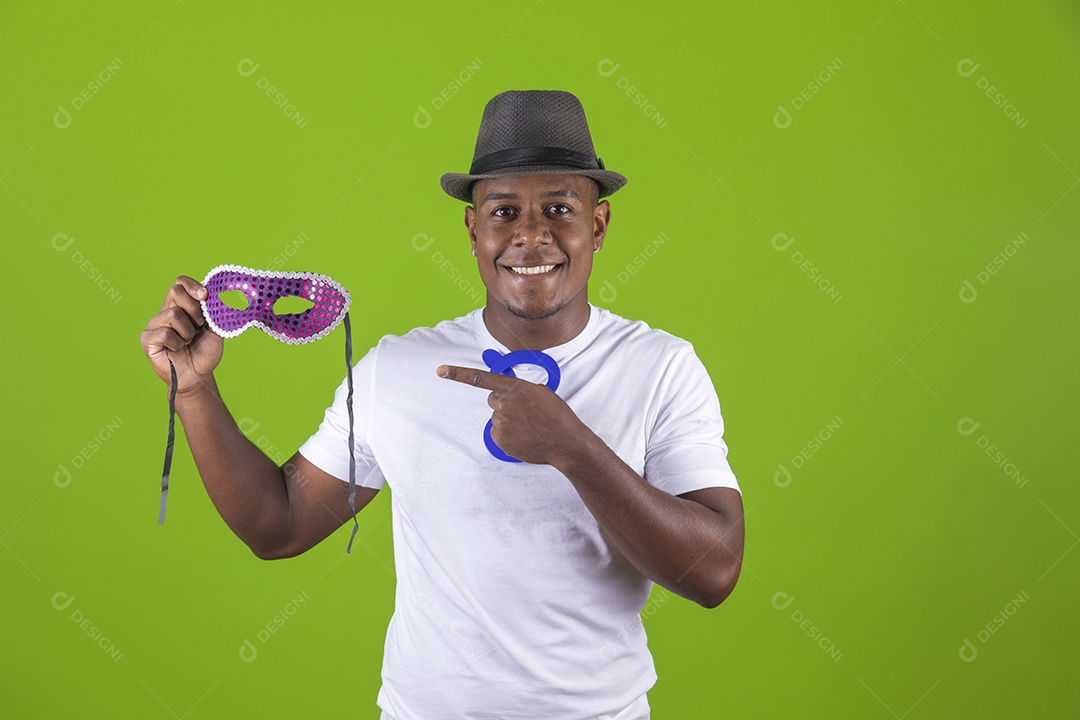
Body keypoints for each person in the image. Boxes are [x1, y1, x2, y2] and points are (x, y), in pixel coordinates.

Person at [140, 89, 745, 720]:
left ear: (598, 225)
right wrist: (195, 391)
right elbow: (280, 526)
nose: (530, 235)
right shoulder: (397, 369)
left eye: (559, 208)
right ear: (473, 229)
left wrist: (573, 448)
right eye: (503, 211)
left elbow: (715, 573)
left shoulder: (662, 366)